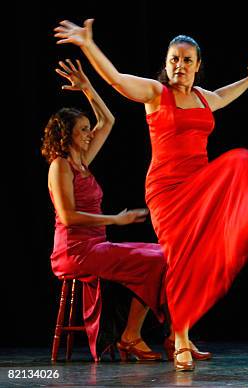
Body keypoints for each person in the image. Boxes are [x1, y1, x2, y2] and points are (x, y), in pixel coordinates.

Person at [54, 19, 248, 371]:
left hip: (199, 185)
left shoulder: (204, 98)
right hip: (167, 191)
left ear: (198, 66)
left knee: (241, 160)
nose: (180, 66)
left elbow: (223, 95)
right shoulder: (157, 94)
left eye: (187, 61)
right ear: (166, 62)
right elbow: (116, 79)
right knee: (180, 259)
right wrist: (87, 45)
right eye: (174, 59)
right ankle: (182, 340)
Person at [43, 59, 167, 361]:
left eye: (88, 129)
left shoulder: (82, 162)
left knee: (166, 253)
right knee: (157, 261)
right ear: (67, 134)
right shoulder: (60, 166)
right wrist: (117, 219)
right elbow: (69, 215)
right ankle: (131, 336)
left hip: (96, 246)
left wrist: (87, 87)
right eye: (83, 130)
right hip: (75, 251)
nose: (89, 133)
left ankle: (150, 335)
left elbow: (108, 120)